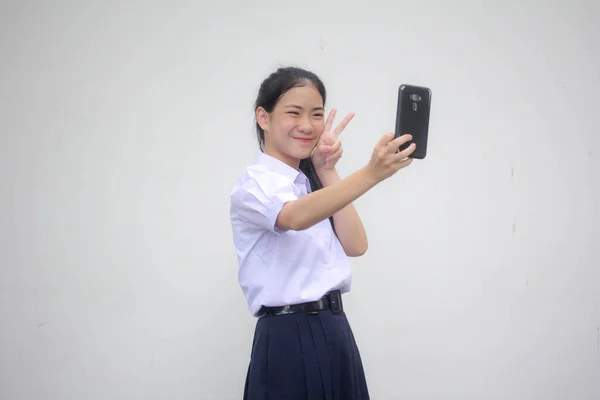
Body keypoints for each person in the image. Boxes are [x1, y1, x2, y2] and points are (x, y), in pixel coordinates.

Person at [229, 66, 415, 399]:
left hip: (335, 329)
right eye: (294, 112)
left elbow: (356, 245)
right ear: (264, 117)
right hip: (287, 336)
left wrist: (326, 171)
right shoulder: (254, 184)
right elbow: (294, 217)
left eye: (316, 114)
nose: (307, 125)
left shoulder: (310, 184)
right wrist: (371, 173)